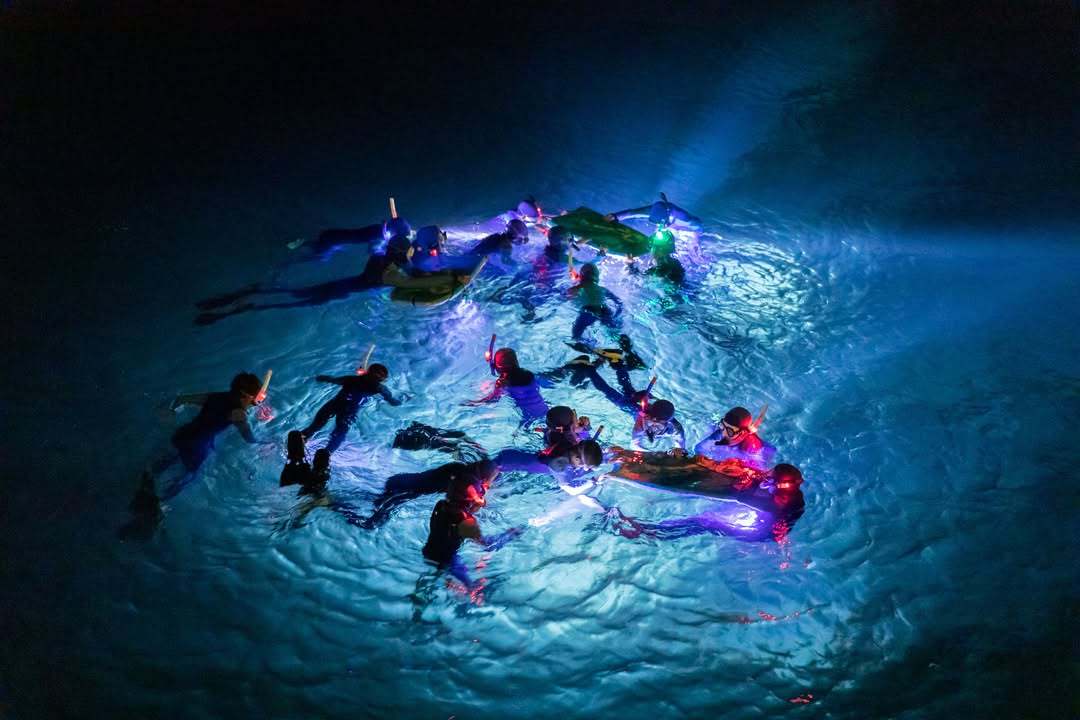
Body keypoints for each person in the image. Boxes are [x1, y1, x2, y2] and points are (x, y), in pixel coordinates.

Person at [194, 234, 473, 325]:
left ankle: (244, 295)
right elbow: (412, 282)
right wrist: (452, 279)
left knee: (289, 293)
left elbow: (409, 270)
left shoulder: (380, 257)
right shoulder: (390, 274)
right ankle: (235, 309)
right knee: (286, 304)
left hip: (341, 285)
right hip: (338, 293)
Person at [607, 462, 805, 543]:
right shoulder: (786, 493)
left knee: (706, 522)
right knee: (710, 516)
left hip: (761, 533)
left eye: (769, 478)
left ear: (780, 485)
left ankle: (653, 534)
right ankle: (656, 530)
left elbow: (743, 498)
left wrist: (740, 489)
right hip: (765, 521)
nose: (765, 477)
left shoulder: (782, 503)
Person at [151, 372, 267, 499]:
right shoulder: (239, 414)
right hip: (197, 447)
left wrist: (169, 413)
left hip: (183, 434)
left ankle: (149, 477)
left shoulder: (214, 396)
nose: (260, 401)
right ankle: (161, 499)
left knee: (165, 462)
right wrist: (265, 441)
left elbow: (181, 399)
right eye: (258, 398)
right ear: (245, 394)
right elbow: (249, 439)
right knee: (189, 475)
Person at [421, 462, 522, 590]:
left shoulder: (441, 505)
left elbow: (459, 512)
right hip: (448, 561)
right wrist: (509, 535)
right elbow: (486, 545)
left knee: (429, 582)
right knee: (471, 588)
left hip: (429, 552)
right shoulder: (467, 522)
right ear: (470, 500)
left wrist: (480, 493)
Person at [360, 459, 499, 530]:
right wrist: (488, 482)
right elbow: (475, 501)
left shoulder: (458, 467)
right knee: (373, 524)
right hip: (403, 491)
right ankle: (340, 507)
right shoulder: (464, 481)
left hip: (399, 481)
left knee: (375, 504)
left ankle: (344, 502)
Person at [301, 363, 404, 454]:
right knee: (340, 432)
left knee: (317, 424)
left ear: (368, 371)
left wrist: (323, 378)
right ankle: (327, 453)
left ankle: (303, 438)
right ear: (382, 379)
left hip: (335, 404)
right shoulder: (379, 388)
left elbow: (333, 380)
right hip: (349, 411)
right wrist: (400, 401)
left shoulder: (352, 379)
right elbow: (391, 401)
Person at [462, 347, 549, 425]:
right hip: (544, 409)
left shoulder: (502, 383)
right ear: (516, 362)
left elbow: (494, 400)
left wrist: (474, 403)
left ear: (498, 367)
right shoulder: (528, 374)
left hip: (529, 415)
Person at [693, 406, 775, 466]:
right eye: (722, 426)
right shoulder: (720, 434)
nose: (724, 433)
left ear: (742, 432)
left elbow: (759, 466)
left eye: (729, 431)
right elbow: (699, 448)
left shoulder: (751, 445)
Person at [568, 262, 624, 341]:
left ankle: (581, 341)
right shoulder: (603, 289)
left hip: (588, 311)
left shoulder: (579, 288)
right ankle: (621, 341)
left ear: (581, 276)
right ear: (597, 277)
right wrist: (617, 313)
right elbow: (619, 302)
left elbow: (569, 295)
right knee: (614, 331)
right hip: (604, 310)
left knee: (576, 333)